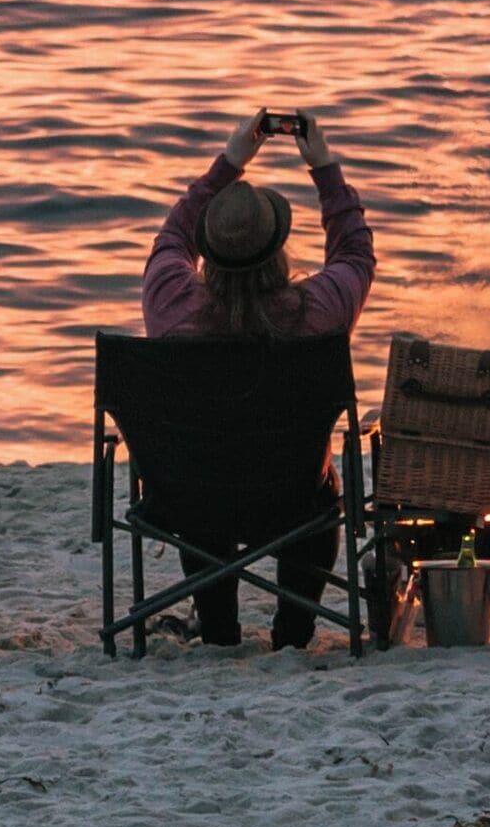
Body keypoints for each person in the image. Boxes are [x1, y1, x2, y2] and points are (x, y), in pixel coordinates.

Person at [141, 108, 375, 647]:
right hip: (293, 500)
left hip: (193, 503)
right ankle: (294, 628)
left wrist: (229, 163)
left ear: (209, 252)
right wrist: (323, 167)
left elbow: (172, 237)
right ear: (279, 247)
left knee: (208, 479)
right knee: (319, 490)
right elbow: (356, 252)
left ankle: (219, 626)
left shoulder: (172, 304)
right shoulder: (316, 312)